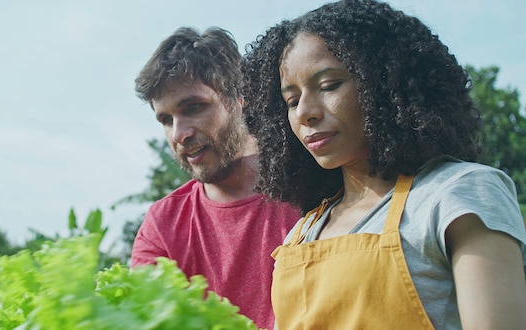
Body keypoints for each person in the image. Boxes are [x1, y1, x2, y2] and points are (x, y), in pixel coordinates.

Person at [242, 0, 526, 328]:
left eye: (328, 86)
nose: (306, 112)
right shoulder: (302, 232)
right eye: (291, 100)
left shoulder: (457, 193)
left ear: (385, 84)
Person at [131, 26, 300, 330]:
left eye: (194, 107)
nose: (179, 134)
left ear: (239, 97)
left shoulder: (315, 186)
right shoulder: (162, 224)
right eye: (166, 120)